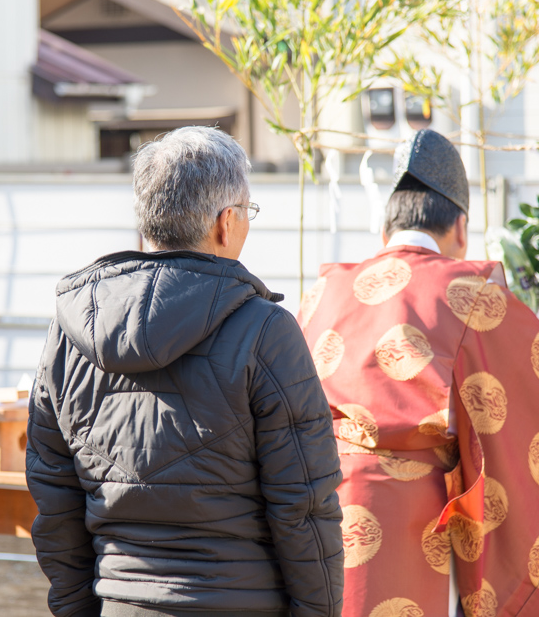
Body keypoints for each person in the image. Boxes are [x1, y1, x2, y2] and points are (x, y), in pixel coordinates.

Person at [26, 126, 344, 617]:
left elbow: (54, 500)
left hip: (118, 601)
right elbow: (304, 505)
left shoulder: (69, 334)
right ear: (226, 221)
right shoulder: (265, 331)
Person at [298, 129, 539, 616]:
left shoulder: (323, 292)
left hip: (322, 515)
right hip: (417, 518)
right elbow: (537, 397)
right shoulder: (472, 293)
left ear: (385, 230)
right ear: (460, 227)